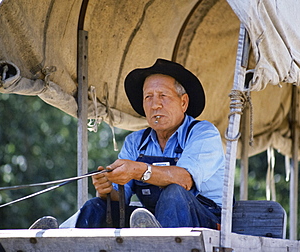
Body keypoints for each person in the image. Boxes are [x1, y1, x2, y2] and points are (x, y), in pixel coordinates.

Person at [75, 58, 226, 229]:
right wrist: (107, 189)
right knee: (95, 207)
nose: (155, 105)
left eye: (163, 96)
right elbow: (120, 197)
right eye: (148, 97)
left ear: (183, 102)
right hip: (152, 220)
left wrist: (139, 170)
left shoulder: (203, 133)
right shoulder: (135, 142)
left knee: (174, 193)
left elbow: (183, 180)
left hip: (206, 222)